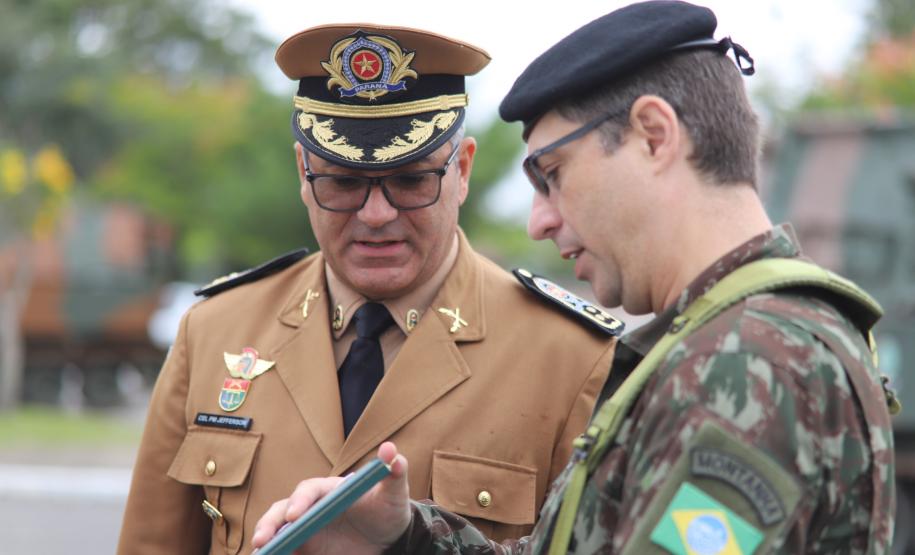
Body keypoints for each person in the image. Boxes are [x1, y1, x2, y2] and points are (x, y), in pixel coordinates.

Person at [251, 2, 898, 554]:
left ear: (652, 135)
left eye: (552, 174)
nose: (538, 221)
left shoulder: (752, 363)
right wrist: (407, 534)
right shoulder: (732, 345)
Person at [117, 24, 621, 554]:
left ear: (463, 170)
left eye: (411, 180)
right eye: (343, 182)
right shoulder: (215, 330)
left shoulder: (571, 359)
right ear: (302, 172)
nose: (376, 215)